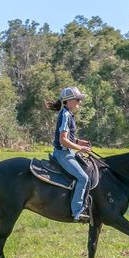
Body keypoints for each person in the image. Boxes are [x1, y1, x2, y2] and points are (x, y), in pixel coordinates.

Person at [48, 86, 92, 222]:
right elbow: (63, 140)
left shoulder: (68, 113)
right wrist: (79, 148)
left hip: (67, 151)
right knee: (83, 178)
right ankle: (77, 212)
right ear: (68, 100)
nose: (80, 102)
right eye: (78, 99)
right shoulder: (66, 115)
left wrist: (79, 141)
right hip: (63, 154)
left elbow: (67, 137)